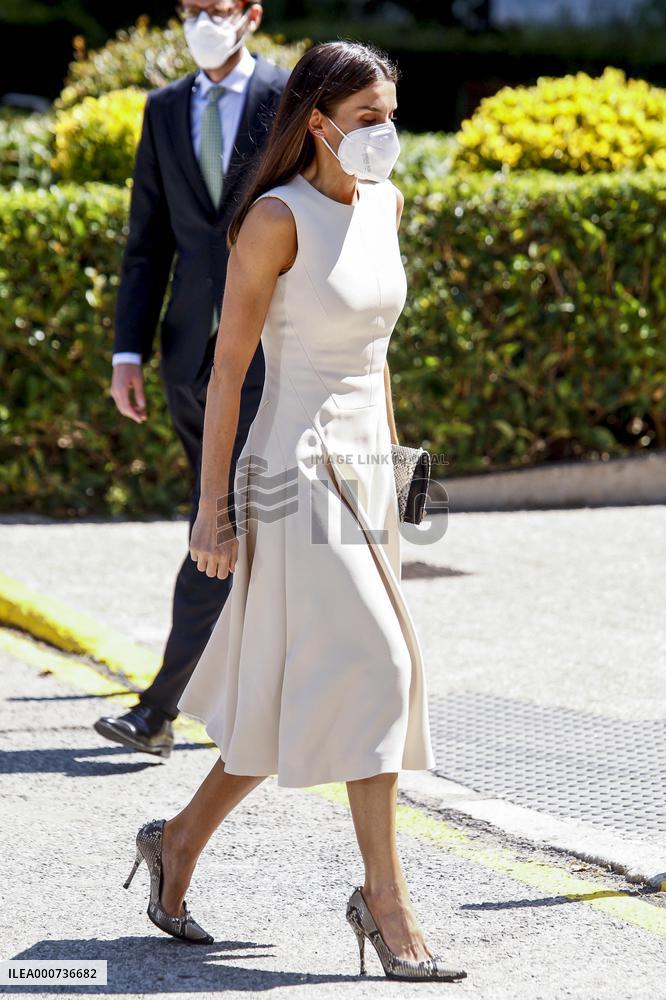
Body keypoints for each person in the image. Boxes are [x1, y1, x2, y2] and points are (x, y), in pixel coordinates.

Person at [121, 39, 467, 983]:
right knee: (382, 663)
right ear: (317, 123)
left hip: (365, 466)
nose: (386, 134)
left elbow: (379, 353)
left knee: (296, 686)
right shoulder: (276, 219)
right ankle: (385, 905)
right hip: (292, 462)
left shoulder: (388, 205)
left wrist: (402, 468)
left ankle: (179, 842)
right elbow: (227, 370)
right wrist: (212, 511)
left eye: (393, 114)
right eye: (368, 118)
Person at [94, 1, 290, 758]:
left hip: (266, 356)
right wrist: (127, 354)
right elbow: (147, 240)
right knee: (228, 524)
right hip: (186, 358)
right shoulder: (166, 107)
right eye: (191, 8)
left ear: (249, 15)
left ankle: (159, 708)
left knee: (219, 522)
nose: (201, 20)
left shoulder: (286, 97)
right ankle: (248, 695)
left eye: (216, 7)